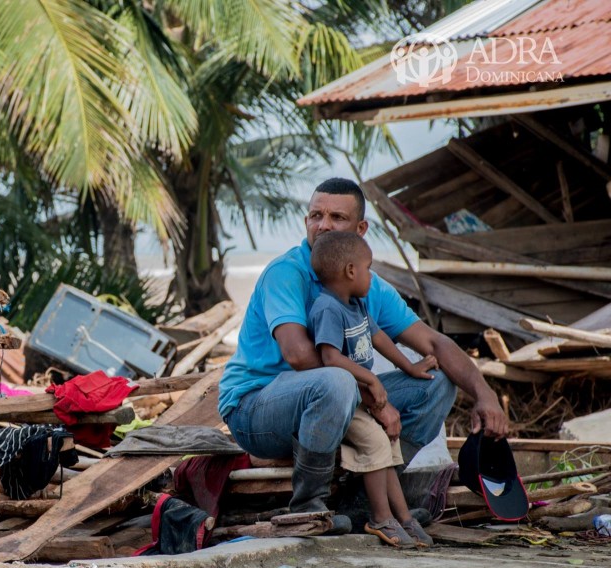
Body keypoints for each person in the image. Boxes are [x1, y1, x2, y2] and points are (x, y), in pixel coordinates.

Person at [218, 177, 509, 531]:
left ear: (360, 228)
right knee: (336, 380)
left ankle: (363, 507)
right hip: (256, 410)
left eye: (337, 218)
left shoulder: (363, 282)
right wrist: (372, 396)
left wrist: (485, 394)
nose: (323, 225)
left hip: (335, 399)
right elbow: (298, 355)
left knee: (437, 383)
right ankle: (308, 507)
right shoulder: (286, 273)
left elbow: (434, 344)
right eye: (315, 215)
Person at [308, 231, 436, 548]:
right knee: (377, 443)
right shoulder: (327, 308)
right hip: (344, 401)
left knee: (390, 448)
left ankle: (404, 517)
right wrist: (372, 380)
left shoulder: (358, 303)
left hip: (364, 397)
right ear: (351, 271)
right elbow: (329, 356)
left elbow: (378, 338)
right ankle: (380, 518)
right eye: (368, 268)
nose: (370, 275)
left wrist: (408, 366)